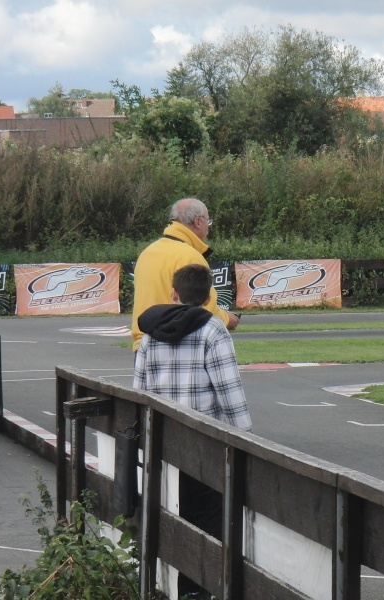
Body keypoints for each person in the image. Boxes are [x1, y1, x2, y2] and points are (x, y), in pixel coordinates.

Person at [133, 263, 251, 600]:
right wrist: (245, 437)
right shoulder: (214, 331)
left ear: (174, 293)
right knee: (209, 519)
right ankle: (200, 589)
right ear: (209, 296)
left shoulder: (150, 334)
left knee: (168, 513)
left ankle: (172, 586)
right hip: (205, 444)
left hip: (163, 443)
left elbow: (140, 392)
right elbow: (230, 393)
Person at [130, 197, 240, 353]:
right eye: (208, 222)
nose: (208, 229)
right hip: (177, 345)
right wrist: (228, 319)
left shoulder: (147, 253)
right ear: (197, 222)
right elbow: (205, 308)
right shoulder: (190, 257)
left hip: (143, 345)